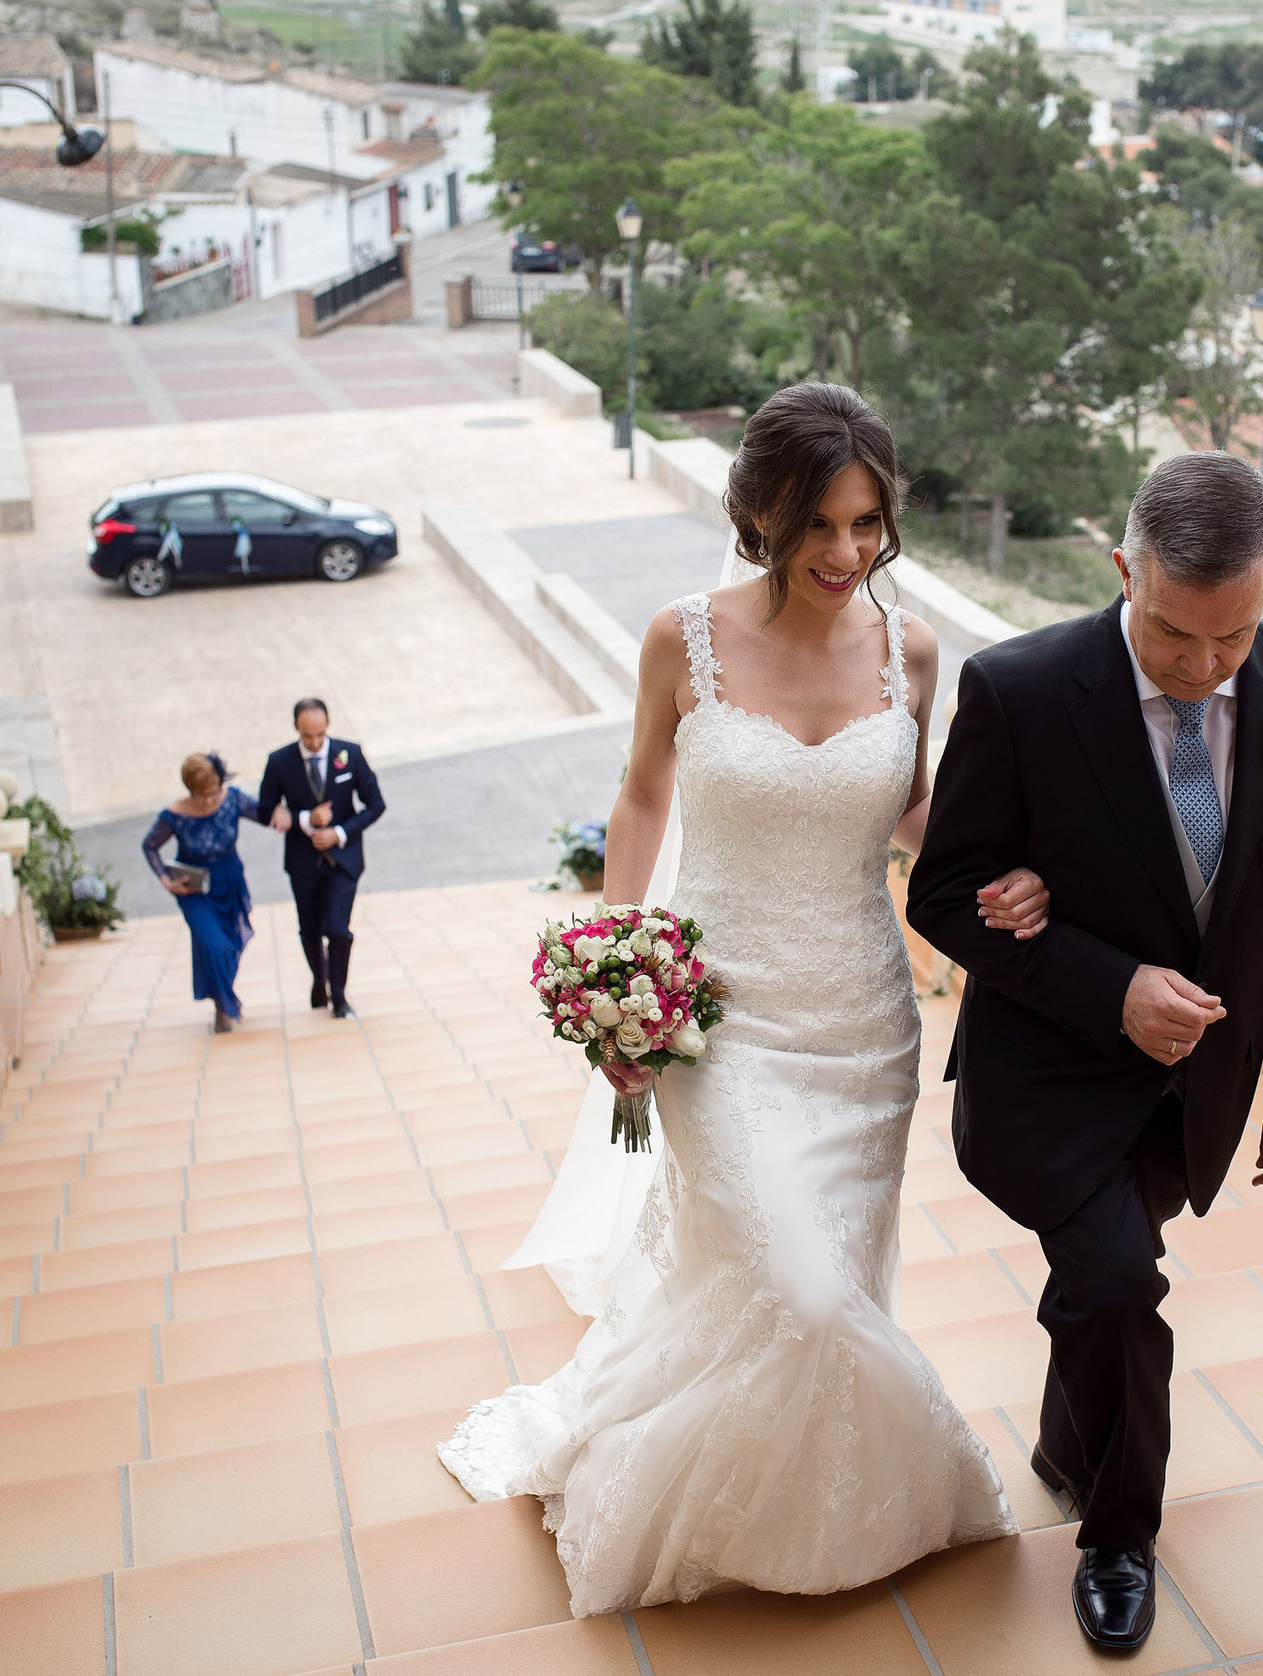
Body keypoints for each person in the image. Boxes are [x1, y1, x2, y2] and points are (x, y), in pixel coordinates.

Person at [437, 382, 1055, 1614]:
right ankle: (896, 1475)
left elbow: (915, 812)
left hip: (864, 1027)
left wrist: (1008, 875)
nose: (845, 551)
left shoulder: (912, 650)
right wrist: (613, 968)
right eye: (817, 523)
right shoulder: (683, 639)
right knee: (805, 1294)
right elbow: (641, 795)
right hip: (717, 1024)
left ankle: (808, 1511)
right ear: (760, 512)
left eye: (866, 522)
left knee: (813, 1287)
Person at [908, 451, 1263, 1650]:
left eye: (1234, 636)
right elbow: (943, 892)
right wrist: (1108, 987)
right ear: (1124, 570)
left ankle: (1067, 1447)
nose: (1204, 667)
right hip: (1044, 1079)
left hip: (1194, 1094)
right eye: (1172, 633)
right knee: (1116, 1285)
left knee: (1100, 1284)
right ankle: (1118, 1536)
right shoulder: (1017, 689)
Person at [256, 698, 383, 1017]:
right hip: (304, 862)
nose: (314, 743)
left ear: (328, 725)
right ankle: (319, 979)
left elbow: (375, 804)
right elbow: (264, 809)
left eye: (319, 734)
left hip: (343, 860)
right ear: (296, 728)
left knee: (338, 929)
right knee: (310, 930)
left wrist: (339, 833)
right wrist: (302, 819)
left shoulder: (349, 753)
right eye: (307, 736)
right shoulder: (279, 761)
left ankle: (339, 996)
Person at [142, 752, 263, 1034]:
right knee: (213, 945)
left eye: (214, 792)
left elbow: (266, 814)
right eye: (201, 794)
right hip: (194, 889)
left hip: (229, 880)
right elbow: (150, 846)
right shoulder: (174, 815)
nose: (209, 800)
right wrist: (165, 880)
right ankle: (223, 1006)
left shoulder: (233, 799)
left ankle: (223, 995)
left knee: (231, 944)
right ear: (190, 789)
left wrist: (283, 812)